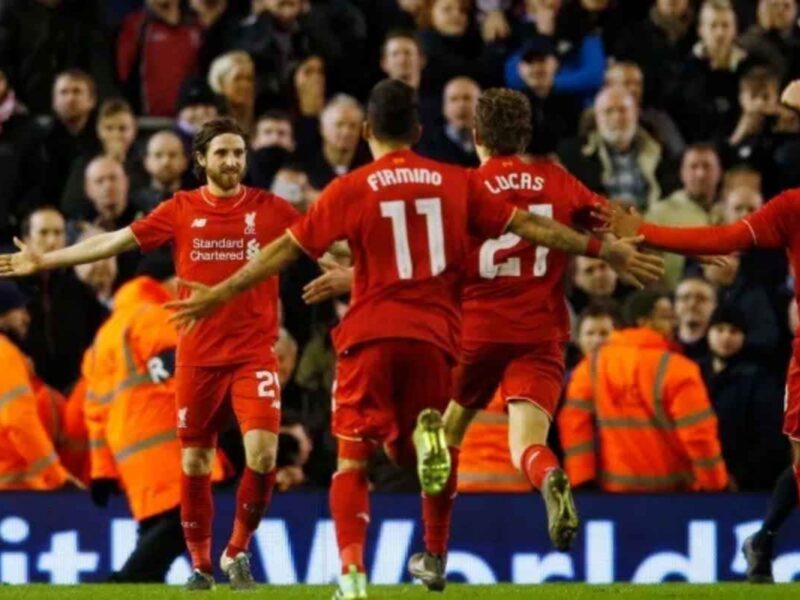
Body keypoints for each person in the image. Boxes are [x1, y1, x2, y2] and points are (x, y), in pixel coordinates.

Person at [163, 80, 662, 599]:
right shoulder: (455, 182)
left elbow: (281, 252)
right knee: (433, 444)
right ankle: (434, 541)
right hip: (436, 338)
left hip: (368, 334)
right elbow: (532, 225)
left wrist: (217, 293)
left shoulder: (349, 188)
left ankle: (353, 576)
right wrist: (602, 250)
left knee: (353, 459)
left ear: (366, 130)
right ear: (421, 131)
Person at [0, 117, 300, 591]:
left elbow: (321, 239)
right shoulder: (178, 220)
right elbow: (114, 241)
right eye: (221, 153)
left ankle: (236, 552)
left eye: (239, 153)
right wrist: (46, 260)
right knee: (194, 472)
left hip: (247, 359)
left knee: (263, 454)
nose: (232, 161)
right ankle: (200, 568)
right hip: (191, 377)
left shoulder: (270, 209)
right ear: (200, 161)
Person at [604, 74, 800, 585]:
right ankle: (763, 540)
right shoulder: (791, 207)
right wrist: (645, 231)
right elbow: (722, 235)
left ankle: (762, 539)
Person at [559, 290, 729, 493]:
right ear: (643, 321)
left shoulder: (593, 366)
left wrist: (581, 482)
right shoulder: (679, 369)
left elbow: (574, 426)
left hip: (612, 493)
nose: (673, 323)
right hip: (674, 495)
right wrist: (715, 484)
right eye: (665, 317)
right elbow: (698, 436)